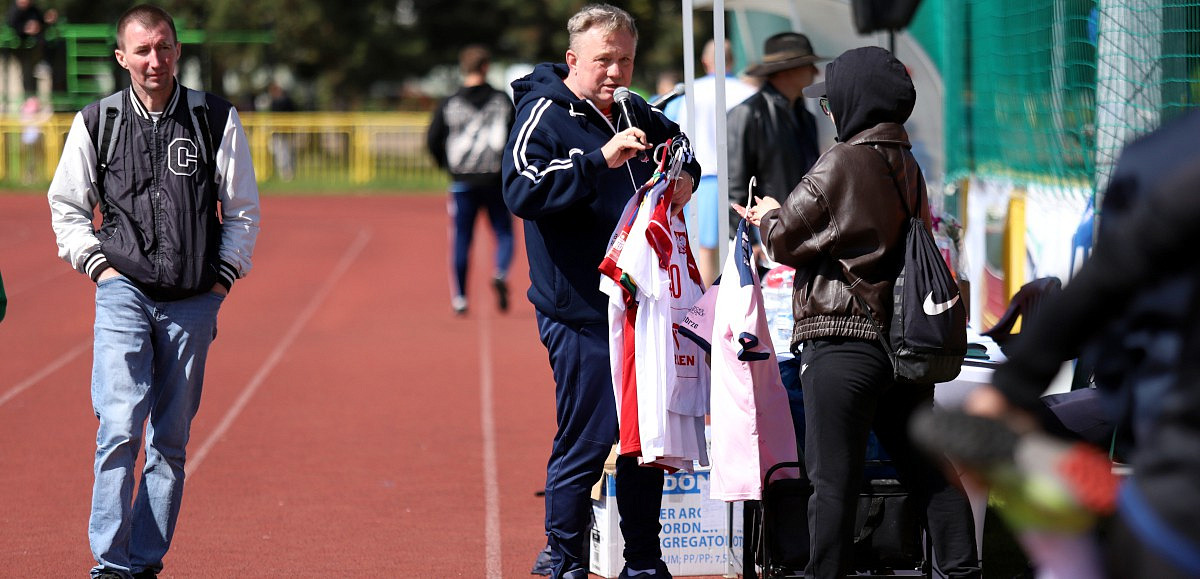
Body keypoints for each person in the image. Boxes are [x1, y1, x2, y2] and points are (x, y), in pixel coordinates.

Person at [737, 46, 981, 578]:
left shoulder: (843, 159)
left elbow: (783, 240)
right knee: (927, 468)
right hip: (901, 342)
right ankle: (963, 570)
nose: (828, 113)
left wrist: (769, 214)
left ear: (853, 102)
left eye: (831, 103)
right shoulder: (907, 163)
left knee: (832, 480)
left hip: (843, 337)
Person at [932, 110, 1200, 579]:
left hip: (1172, 479)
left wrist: (1011, 388)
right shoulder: (1168, 164)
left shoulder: (1165, 159)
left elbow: (1111, 277)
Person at [46, 5, 260, 578]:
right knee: (118, 427)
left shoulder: (215, 118)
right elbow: (66, 207)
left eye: (163, 47)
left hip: (193, 299)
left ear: (177, 50)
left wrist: (221, 280)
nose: (154, 59)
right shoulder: (98, 121)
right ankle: (110, 565)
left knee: (169, 439)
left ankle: (144, 562)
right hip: (123, 291)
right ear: (122, 57)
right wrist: (100, 267)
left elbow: (241, 211)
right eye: (141, 50)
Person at [501, 4, 699, 578]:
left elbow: (681, 145)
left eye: (626, 59)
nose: (615, 72)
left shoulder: (637, 108)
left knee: (642, 444)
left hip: (641, 311)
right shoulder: (543, 112)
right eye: (603, 60)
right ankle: (561, 559)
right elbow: (519, 189)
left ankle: (642, 560)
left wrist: (685, 175)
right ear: (573, 61)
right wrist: (598, 161)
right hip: (580, 311)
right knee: (588, 440)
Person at [427, 44, 516, 316]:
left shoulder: (449, 102)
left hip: (462, 180)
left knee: (462, 238)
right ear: (486, 67)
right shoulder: (502, 99)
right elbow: (515, 138)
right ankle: (500, 271)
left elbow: (433, 138)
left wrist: (447, 164)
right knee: (503, 233)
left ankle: (461, 298)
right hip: (495, 179)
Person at [663, 39, 757, 284]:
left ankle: (706, 312)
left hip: (700, 180)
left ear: (705, 62)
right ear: (732, 60)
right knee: (748, 249)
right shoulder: (749, 92)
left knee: (703, 252)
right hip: (743, 181)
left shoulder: (686, 93)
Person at [726, 32, 823, 269]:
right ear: (786, 70)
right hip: (766, 239)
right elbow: (735, 185)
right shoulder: (748, 114)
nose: (815, 72)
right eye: (808, 65)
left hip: (803, 235)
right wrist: (743, 238)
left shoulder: (806, 118)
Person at [7, 0, 44, 97]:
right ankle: (29, 99)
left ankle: (32, 100)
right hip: (19, 49)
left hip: (33, 47)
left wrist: (38, 25)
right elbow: (11, 26)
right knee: (26, 74)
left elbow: (41, 21)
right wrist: (25, 29)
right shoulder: (13, 11)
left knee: (31, 74)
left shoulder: (34, 10)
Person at [266, 81, 297, 181]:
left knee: (285, 154)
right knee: (278, 153)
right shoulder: (273, 101)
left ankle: (287, 173)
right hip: (277, 133)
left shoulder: (286, 101)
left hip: (285, 132)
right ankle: (282, 172)